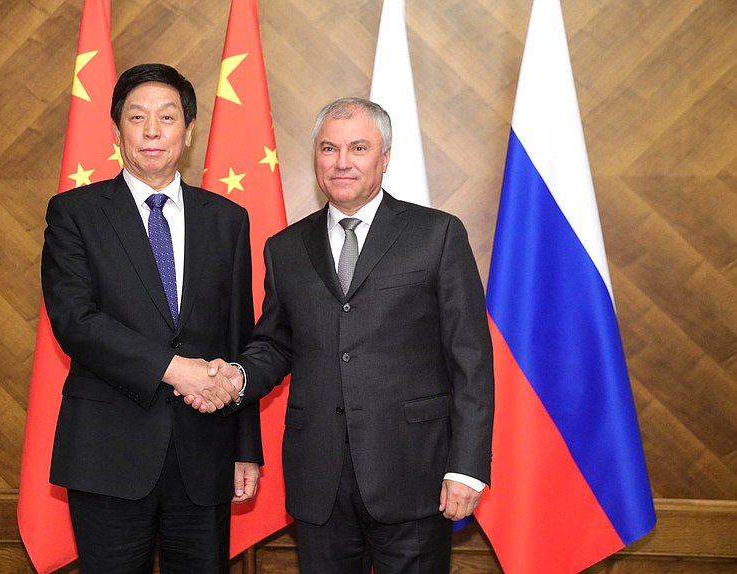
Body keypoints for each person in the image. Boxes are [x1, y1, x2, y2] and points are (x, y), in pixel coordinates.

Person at [203, 97, 494, 573]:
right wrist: (234, 376)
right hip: (319, 479)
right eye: (328, 148)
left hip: (414, 472)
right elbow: (275, 344)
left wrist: (466, 467)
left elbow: (471, 359)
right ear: (315, 156)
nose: (341, 162)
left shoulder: (436, 234)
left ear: (385, 157)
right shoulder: (285, 248)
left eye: (358, 148)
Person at [41, 63, 262, 573]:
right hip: (107, 451)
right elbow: (75, 321)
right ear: (117, 128)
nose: (151, 130)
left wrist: (245, 447)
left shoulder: (226, 219)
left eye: (166, 117)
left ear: (188, 130)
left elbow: (239, 335)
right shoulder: (75, 213)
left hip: (205, 454)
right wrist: (174, 368)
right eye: (136, 117)